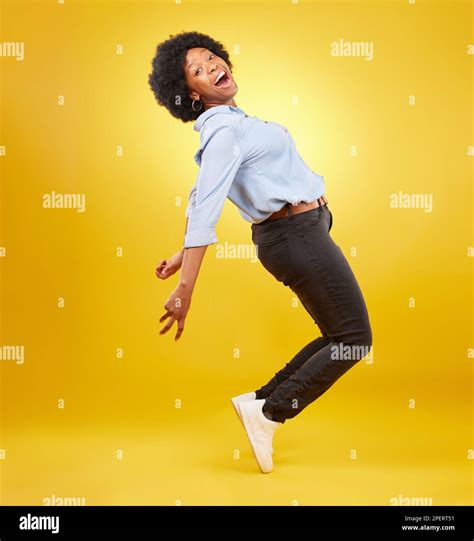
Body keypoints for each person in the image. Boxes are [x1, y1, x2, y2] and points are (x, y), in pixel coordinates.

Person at [148, 31, 372, 474]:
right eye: (198, 70)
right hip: (295, 236)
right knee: (354, 340)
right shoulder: (223, 129)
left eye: (211, 58)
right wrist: (186, 284)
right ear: (190, 94)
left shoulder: (235, 121)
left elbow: (199, 196)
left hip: (303, 231)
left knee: (337, 335)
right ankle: (272, 412)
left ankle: (259, 400)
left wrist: (179, 252)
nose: (212, 67)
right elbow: (206, 205)